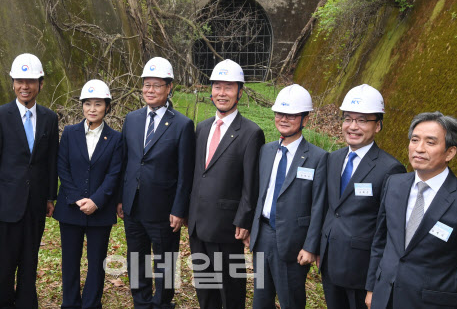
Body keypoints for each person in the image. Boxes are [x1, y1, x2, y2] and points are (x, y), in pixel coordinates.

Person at [365, 112, 457, 309]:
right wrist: (373, 287)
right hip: (385, 298)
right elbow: (381, 240)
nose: (419, 149)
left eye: (430, 142)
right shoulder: (394, 184)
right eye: (415, 140)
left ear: (450, 152)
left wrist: (455, 299)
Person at [0, 53, 59, 308]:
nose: (24, 86)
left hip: (35, 205)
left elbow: (50, 161)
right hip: (5, 205)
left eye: (30, 81)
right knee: (4, 265)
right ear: (13, 83)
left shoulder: (49, 117)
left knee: (29, 262)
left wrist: (50, 197)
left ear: (41, 83)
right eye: (19, 81)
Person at [319, 84, 406, 309]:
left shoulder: (391, 169)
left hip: (361, 271)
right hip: (330, 263)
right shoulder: (333, 159)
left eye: (362, 120)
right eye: (348, 119)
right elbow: (331, 209)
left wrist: (374, 283)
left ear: (378, 126)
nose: (353, 126)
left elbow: (386, 231)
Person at [118, 57, 195, 309]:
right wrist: (121, 197)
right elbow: (126, 161)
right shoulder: (132, 119)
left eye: (157, 85)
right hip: (133, 204)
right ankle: (141, 302)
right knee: (136, 256)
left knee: (165, 259)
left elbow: (185, 171)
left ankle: (162, 303)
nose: (150, 91)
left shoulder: (182, 125)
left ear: (169, 87)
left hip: (163, 208)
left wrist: (179, 209)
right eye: (146, 85)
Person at [187, 59, 265, 309]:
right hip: (198, 223)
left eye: (229, 87)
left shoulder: (251, 132)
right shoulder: (202, 128)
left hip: (227, 226)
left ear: (239, 93)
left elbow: (251, 181)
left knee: (230, 290)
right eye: (217, 87)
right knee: (205, 287)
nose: (222, 93)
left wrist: (244, 218)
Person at [248, 84, 327, 309]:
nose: (284, 119)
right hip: (263, 236)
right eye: (280, 114)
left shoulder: (317, 158)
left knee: (291, 300)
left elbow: (319, 205)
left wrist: (311, 246)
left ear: (305, 119)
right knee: (260, 300)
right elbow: (259, 193)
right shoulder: (266, 151)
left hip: (294, 242)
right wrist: (251, 229)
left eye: (291, 115)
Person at [53, 79, 122, 309]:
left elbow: (114, 174)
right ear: (82, 106)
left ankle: (91, 304)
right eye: (88, 103)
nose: (92, 109)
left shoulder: (115, 138)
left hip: (100, 212)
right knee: (70, 261)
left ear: (107, 107)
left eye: (98, 104)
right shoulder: (70, 133)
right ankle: (70, 303)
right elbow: (62, 167)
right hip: (71, 209)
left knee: (96, 263)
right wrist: (76, 198)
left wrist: (96, 201)